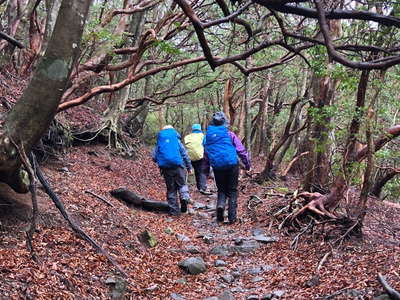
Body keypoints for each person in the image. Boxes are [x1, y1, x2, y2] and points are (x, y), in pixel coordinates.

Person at [204, 112, 251, 224]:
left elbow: (206, 154)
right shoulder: (230, 134)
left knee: (221, 189)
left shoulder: (207, 137)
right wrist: (247, 164)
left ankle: (220, 208)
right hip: (232, 165)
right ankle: (232, 217)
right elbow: (241, 151)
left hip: (217, 166)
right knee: (232, 190)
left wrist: (205, 171)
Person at [152, 125, 192, 216]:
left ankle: (174, 212)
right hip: (178, 166)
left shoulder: (160, 140)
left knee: (171, 189)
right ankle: (184, 199)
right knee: (182, 185)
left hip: (166, 169)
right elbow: (184, 154)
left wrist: (160, 161)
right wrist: (189, 167)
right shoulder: (176, 140)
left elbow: (154, 156)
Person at [184, 124, 212, 195]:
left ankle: (198, 187)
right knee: (202, 171)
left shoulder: (188, 137)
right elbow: (206, 145)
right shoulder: (202, 136)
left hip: (190, 157)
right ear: (200, 129)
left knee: (197, 171)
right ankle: (202, 188)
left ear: (192, 129)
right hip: (200, 156)